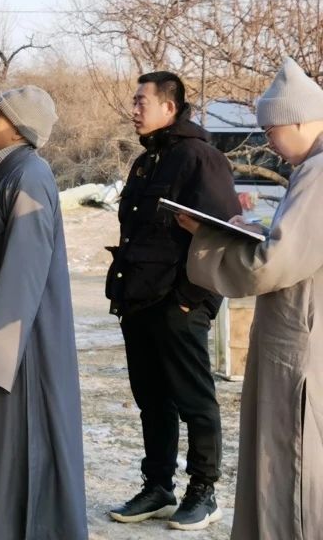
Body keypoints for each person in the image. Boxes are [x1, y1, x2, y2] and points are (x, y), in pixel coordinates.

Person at [183, 58, 323, 540]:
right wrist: (253, 232)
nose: (267, 143)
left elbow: (275, 263)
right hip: (301, 339)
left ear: (302, 121)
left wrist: (209, 239)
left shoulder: (319, 173)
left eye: (273, 131)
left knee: (292, 470)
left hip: (303, 348)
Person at [0, 86, 86, 539]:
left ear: (19, 127)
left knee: (9, 444)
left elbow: (25, 269)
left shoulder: (29, 175)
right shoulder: (14, 172)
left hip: (14, 354)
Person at [107, 71, 241, 530]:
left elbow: (224, 235)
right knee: (152, 400)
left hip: (178, 302)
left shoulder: (200, 158)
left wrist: (190, 299)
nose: (134, 108)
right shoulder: (146, 162)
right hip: (139, 299)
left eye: (142, 100)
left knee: (194, 400)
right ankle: (158, 486)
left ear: (170, 106)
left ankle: (203, 491)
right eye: (134, 100)